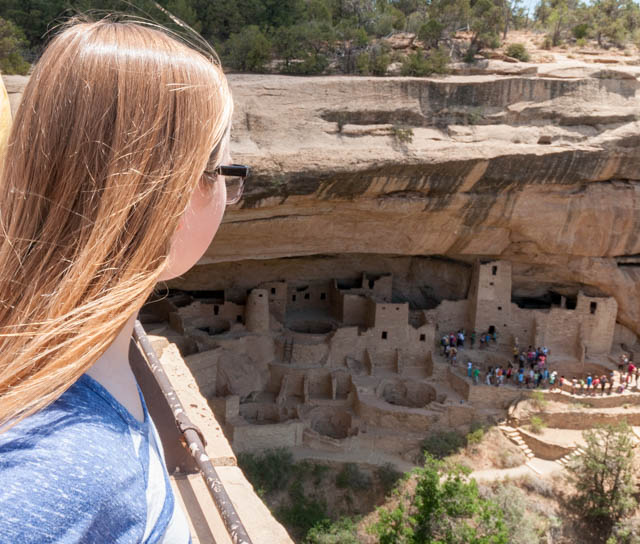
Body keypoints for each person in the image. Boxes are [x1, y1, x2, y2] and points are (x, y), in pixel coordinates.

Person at [0, 19, 237, 543]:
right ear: (173, 193)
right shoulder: (64, 466)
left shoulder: (74, 370)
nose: (228, 192)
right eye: (222, 172)